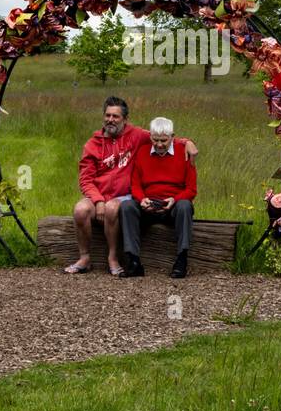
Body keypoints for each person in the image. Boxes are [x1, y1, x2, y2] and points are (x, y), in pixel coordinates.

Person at [68, 96, 198, 276]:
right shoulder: (92, 145)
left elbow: (163, 137)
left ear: (125, 120)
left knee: (115, 208)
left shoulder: (137, 135)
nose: (110, 120)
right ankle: (86, 258)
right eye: (107, 115)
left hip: (126, 196)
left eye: (116, 116)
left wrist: (188, 142)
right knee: (80, 210)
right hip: (100, 195)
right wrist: (98, 201)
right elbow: (86, 179)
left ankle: (115, 258)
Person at [119, 117, 197, 279]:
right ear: (150, 137)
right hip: (148, 203)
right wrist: (141, 199)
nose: (159, 144)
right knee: (127, 206)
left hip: (173, 205)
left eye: (164, 140)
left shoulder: (184, 153)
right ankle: (133, 261)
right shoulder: (142, 152)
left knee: (185, 206)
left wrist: (174, 199)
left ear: (172, 137)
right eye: (155, 140)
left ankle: (182, 259)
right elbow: (135, 185)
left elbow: (191, 189)